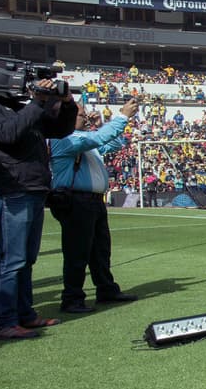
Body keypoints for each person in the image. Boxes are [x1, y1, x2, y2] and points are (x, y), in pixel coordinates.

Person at [0, 78, 78, 339]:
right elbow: (6, 133)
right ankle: (5, 322)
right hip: (9, 190)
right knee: (11, 260)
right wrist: (36, 102)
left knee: (26, 259)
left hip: (32, 188)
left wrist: (65, 104)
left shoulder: (18, 107)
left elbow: (60, 130)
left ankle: (25, 314)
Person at [48, 97, 140, 313]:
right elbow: (101, 139)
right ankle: (72, 298)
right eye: (81, 114)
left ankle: (106, 289)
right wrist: (122, 116)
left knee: (100, 249)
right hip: (76, 200)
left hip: (91, 201)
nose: (86, 116)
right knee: (77, 251)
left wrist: (99, 125)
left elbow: (114, 143)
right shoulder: (64, 139)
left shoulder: (83, 137)